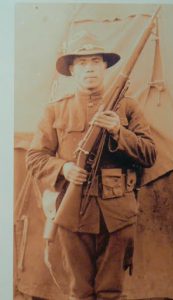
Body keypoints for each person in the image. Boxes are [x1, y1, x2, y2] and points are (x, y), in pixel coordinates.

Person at [26, 31, 157, 300]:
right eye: (82, 63)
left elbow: (149, 154)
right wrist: (63, 168)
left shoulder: (128, 108)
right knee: (80, 291)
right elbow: (35, 157)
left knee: (111, 291)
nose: (89, 68)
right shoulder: (55, 110)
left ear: (105, 66)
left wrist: (119, 131)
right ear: (72, 70)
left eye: (95, 61)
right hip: (73, 210)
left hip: (118, 212)